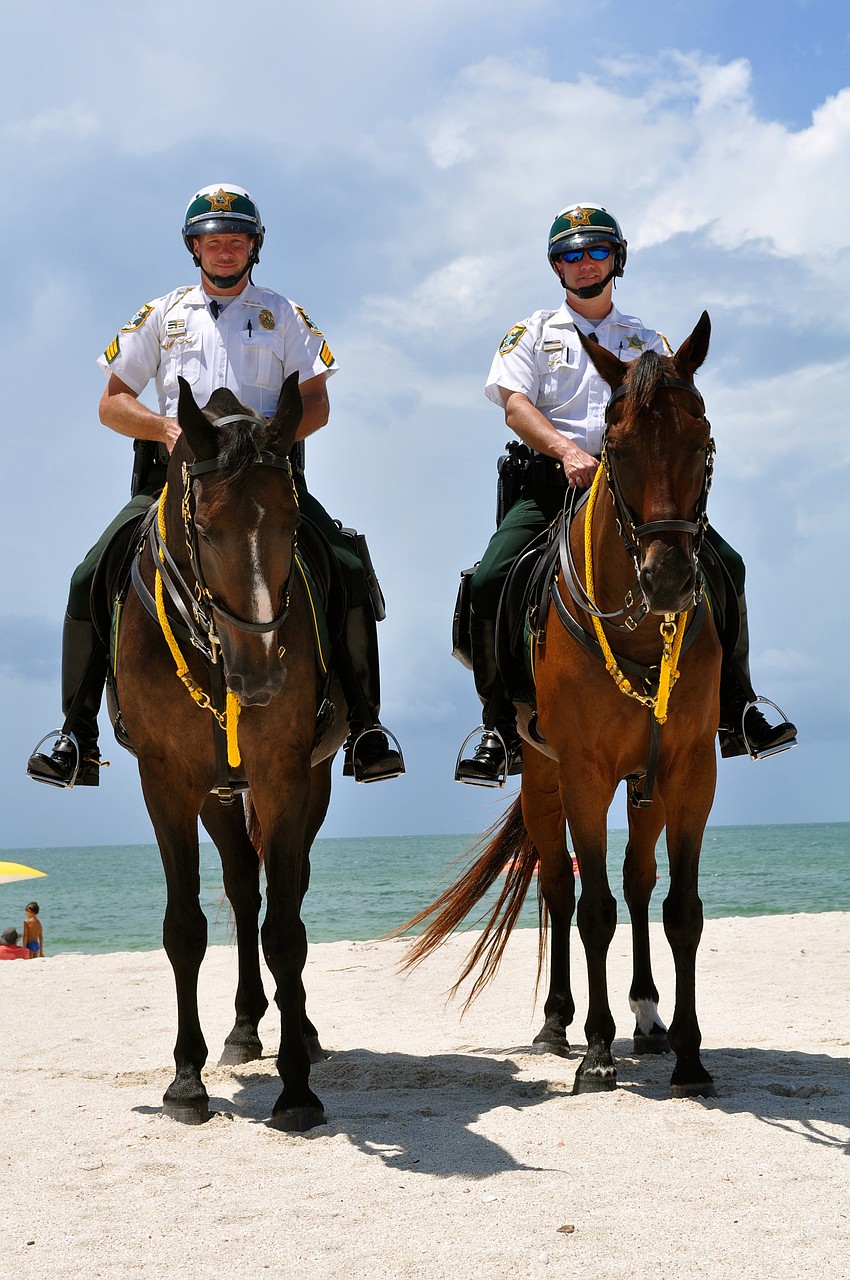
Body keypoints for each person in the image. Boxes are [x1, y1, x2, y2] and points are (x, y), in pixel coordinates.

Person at [28, 183, 404, 788]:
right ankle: (77, 733)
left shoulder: (283, 314)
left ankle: (365, 727)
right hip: (174, 484)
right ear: (193, 247)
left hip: (265, 485)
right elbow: (112, 404)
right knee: (89, 573)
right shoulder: (160, 314)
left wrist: (269, 440)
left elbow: (317, 403)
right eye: (212, 240)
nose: (224, 250)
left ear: (254, 247)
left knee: (347, 567)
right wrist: (164, 428)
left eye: (236, 239)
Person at [456, 202, 797, 785]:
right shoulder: (533, 332)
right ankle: (496, 725)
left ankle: (738, 706)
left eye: (595, 252)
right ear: (556, 267)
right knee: (490, 580)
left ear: (616, 259)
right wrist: (566, 452)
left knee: (728, 566)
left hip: (636, 491)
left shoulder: (646, 338)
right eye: (570, 255)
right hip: (551, 486)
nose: (583, 263)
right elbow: (515, 405)